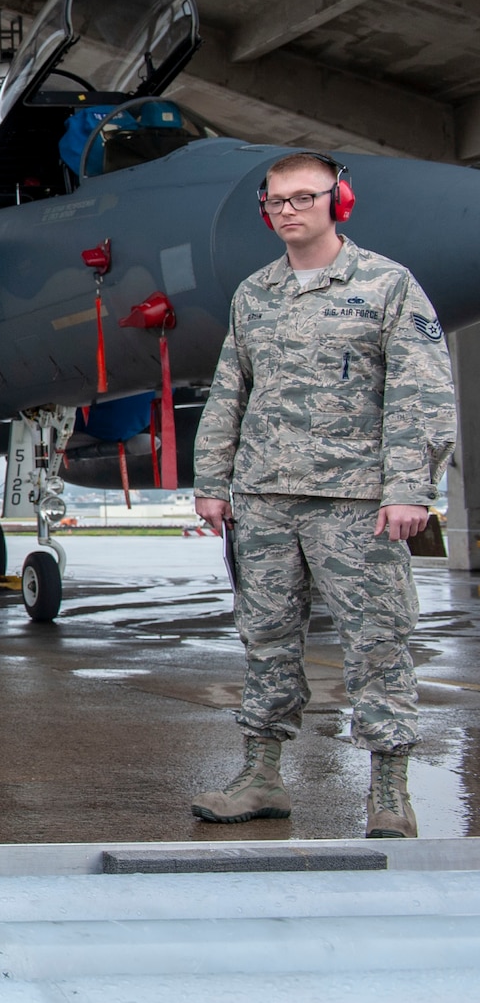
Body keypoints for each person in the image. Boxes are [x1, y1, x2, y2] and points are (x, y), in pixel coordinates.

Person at [190, 151, 454, 838]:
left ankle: (389, 790)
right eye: (276, 201)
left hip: (357, 504)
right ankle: (261, 776)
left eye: (303, 198)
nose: (287, 211)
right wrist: (213, 481)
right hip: (266, 500)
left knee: (379, 642)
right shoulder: (254, 295)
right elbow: (229, 393)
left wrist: (408, 488)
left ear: (340, 201)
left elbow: (420, 393)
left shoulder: (387, 286)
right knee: (267, 639)